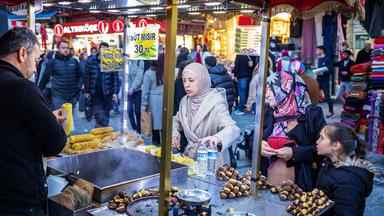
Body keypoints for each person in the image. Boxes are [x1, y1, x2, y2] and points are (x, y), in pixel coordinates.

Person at [0, 27, 67, 215]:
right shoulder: (22, 88)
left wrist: (44, 117)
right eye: (36, 60)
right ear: (22, 53)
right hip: (19, 201)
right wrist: (53, 123)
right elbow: (55, 143)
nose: (36, 67)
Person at [261, 71, 326, 191]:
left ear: (284, 89)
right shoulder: (269, 112)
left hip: (300, 183)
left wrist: (294, 153)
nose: (266, 95)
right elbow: (252, 139)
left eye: (270, 89)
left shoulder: (312, 114)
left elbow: (323, 148)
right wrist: (259, 145)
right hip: (267, 181)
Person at [172, 63, 240, 165]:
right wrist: (175, 134)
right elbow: (177, 119)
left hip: (212, 161)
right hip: (190, 158)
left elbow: (233, 129)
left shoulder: (215, 102)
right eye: (184, 80)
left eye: (191, 80)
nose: (186, 85)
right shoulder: (185, 101)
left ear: (202, 80)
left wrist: (217, 138)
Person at [316, 122, 377, 216]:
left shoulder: (348, 181)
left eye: (322, 138)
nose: (317, 141)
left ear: (336, 145)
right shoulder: (329, 163)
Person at [39, 40, 82, 110]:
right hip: (58, 97)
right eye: (63, 48)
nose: (66, 50)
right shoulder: (52, 62)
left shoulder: (74, 61)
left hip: (73, 96)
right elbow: (45, 78)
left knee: (70, 119)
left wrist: (78, 87)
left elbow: (80, 76)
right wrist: (39, 92)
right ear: (58, 49)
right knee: (60, 118)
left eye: (67, 48)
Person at [84, 42, 118, 128]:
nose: (104, 51)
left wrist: (115, 92)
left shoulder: (111, 60)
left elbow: (115, 77)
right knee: (97, 112)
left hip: (107, 91)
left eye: (106, 49)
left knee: (106, 112)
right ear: (98, 49)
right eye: (102, 49)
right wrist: (87, 91)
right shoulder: (91, 60)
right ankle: (100, 127)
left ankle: (103, 129)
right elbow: (87, 76)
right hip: (95, 91)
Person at [142, 54, 164, 146]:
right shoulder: (165, 72)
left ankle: (156, 148)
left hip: (153, 102)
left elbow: (145, 91)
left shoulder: (148, 73)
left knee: (154, 128)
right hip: (164, 100)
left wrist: (144, 106)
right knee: (164, 127)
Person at [315, 45, 334, 118]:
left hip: (325, 80)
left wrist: (323, 73)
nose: (316, 52)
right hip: (318, 79)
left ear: (321, 50)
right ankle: (313, 111)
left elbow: (330, 70)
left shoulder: (327, 59)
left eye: (317, 50)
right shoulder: (319, 59)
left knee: (327, 96)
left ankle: (331, 111)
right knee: (314, 94)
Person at [128, 59, 145, 133]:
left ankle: (139, 130)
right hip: (128, 91)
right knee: (129, 111)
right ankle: (134, 128)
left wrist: (133, 88)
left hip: (138, 90)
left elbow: (139, 77)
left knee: (138, 111)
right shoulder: (126, 61)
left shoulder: (140, 62)